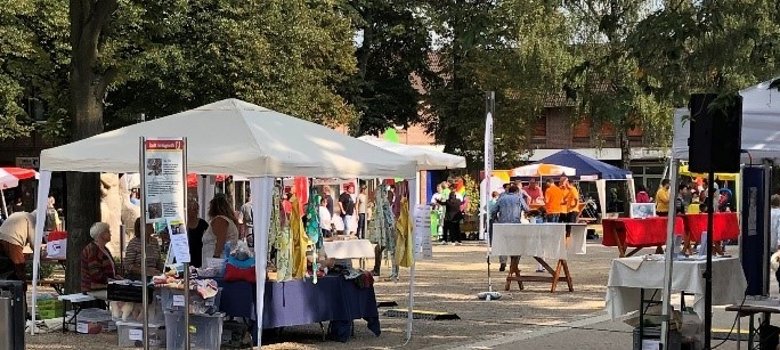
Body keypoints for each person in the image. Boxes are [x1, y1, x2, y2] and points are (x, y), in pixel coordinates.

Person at [490, 185, 530, 271]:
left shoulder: (501, 198)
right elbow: (527, 209)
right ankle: (514, 264)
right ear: (517, 191)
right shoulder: (519, 198)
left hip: (503, 224)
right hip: (515, 224)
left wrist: (495, 219)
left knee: (503, 244)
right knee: (516, 244)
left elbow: (493, 210)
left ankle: (503, 262)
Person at [81, 222, 121, 297]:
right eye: (108, 232)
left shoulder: (104, 249)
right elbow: (95, 273)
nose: (110, 234)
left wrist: (116, 276)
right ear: (101, 234)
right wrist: (111, 280)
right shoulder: (93, 250)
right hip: (93, 288)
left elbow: (111, 269)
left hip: (104, 286)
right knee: (121, 296)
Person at [0, 211, 36, 281]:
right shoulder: (32, 219)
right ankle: (22, 290)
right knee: (20, 267)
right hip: (12, 240)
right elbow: (33, 241)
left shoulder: (19, 214)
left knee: (7, 267)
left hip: (1, 236)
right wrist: (39, 252)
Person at [202, 194, 240, 260]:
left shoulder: (220, 220)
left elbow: (220, 241)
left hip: (217, 260)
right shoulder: (227, 220)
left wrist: (216, 257)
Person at [187, 200, 209, 268]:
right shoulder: (184, 223)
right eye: (192, 209)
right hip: (186, 252)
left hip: (199, 254)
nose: (195, 211)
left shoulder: (202, 223)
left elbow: (210, 236)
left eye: (196, 209)